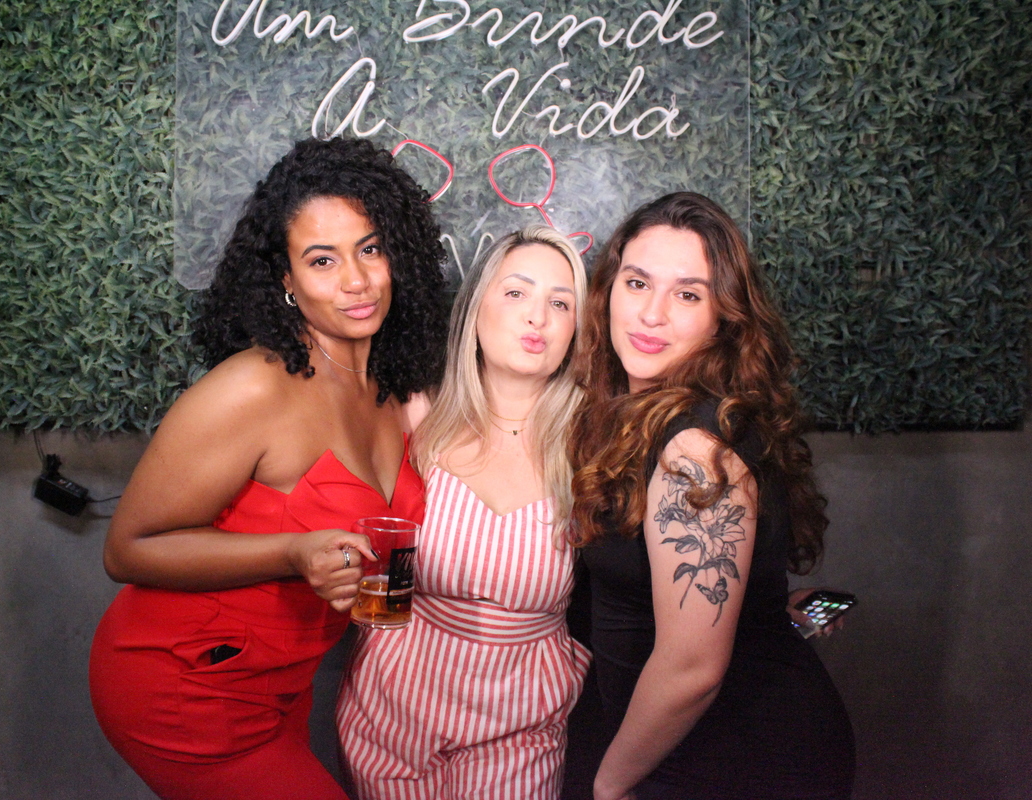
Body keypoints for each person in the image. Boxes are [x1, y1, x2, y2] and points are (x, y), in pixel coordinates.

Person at [88, 137, 448, 800]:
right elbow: (127, 549)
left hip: (281, 683)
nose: (357, 280)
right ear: (285, 279)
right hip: (185, 680)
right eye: (322, 260)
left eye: (371, 249)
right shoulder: (252, 388)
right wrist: (293, 552)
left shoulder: (394, 390)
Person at [568, 192, 854, 800]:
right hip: (690, 748)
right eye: (638, 283)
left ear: (724, 318)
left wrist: (610, 784)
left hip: (734, 759)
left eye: (688, 295)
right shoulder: (643, 417)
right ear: (609, 291)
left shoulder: (693, 449)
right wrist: (758, 609)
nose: (652, 314)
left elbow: (692, 669)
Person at [336, 225, 592, 799]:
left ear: (577, 330)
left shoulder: (594, 445)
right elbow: (356, 533)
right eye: (516, 292)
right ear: (476, 309)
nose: (538, 317)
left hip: (522, 725)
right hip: (391, 711)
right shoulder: (417, 419)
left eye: (560, 303)